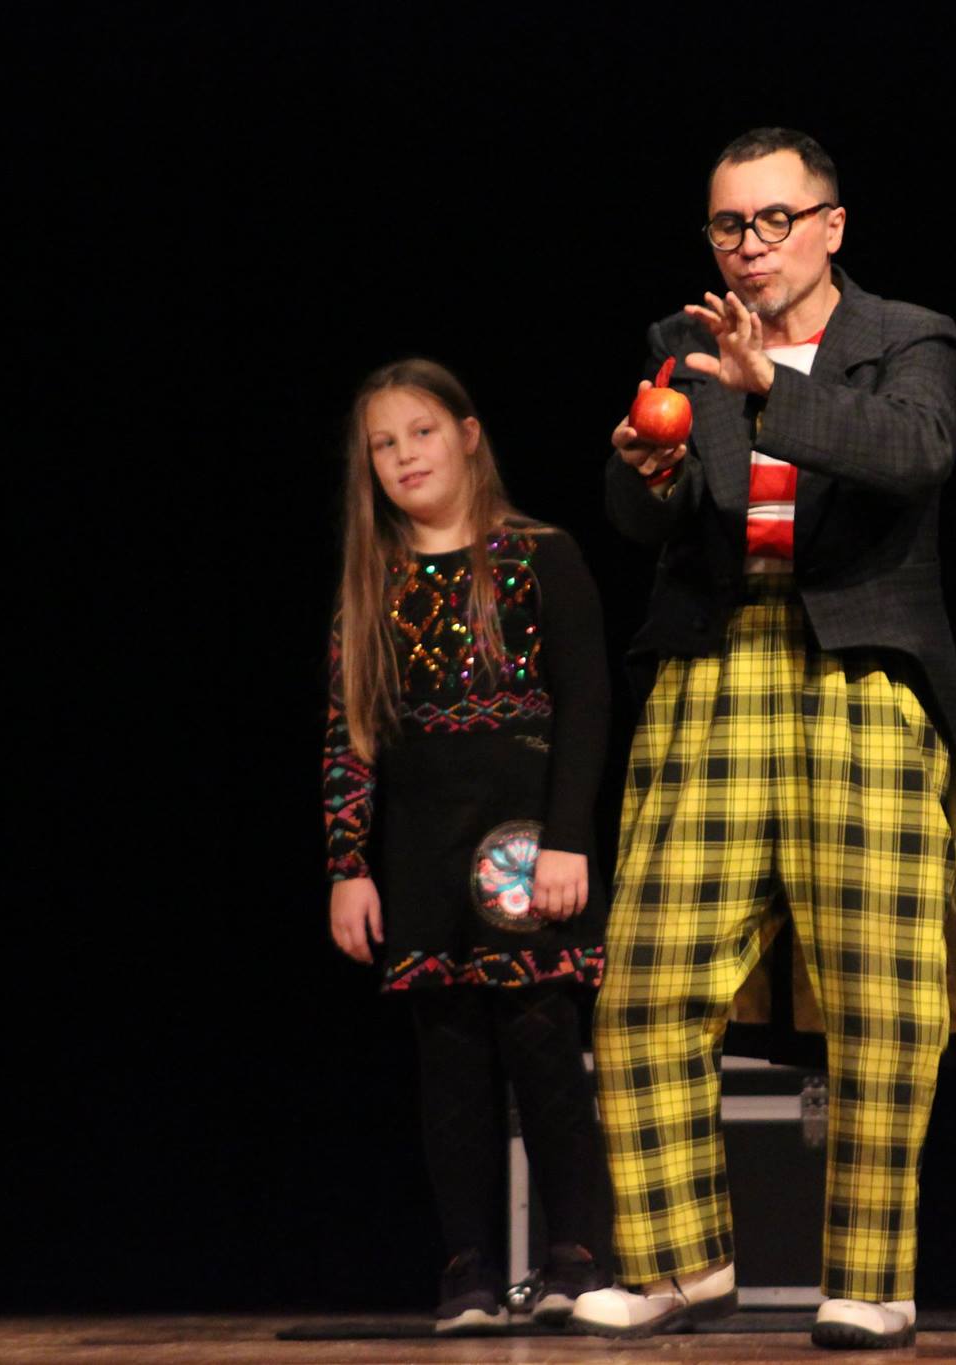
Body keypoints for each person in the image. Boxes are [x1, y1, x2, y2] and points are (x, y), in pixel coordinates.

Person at [569, 129, 956, 1351]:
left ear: (829, 226)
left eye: (772, 220)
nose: (747, 247)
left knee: (884, 994)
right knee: (645, 985)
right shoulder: (680, 342)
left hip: (857, 670)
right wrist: (643, 471)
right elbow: (646, 519)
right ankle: (677, 1266)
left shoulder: (906, 338)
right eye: (726, 225)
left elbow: (915, 450)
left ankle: (871, 1282)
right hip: (715, 663)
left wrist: (767, 392)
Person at [322, 359, 615, 1333]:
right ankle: (469, 1268)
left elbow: (585, 705)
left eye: (421, 432)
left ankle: (576, 1256)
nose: (404, 455)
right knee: (448, 1063)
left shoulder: (537, 557)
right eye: (383, 443)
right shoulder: (373, 584)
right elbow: (350, 735)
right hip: (422, 852)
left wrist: (568, 842)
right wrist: (348, 864)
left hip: (523, 844)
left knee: (542, 1043)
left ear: (467, 436)